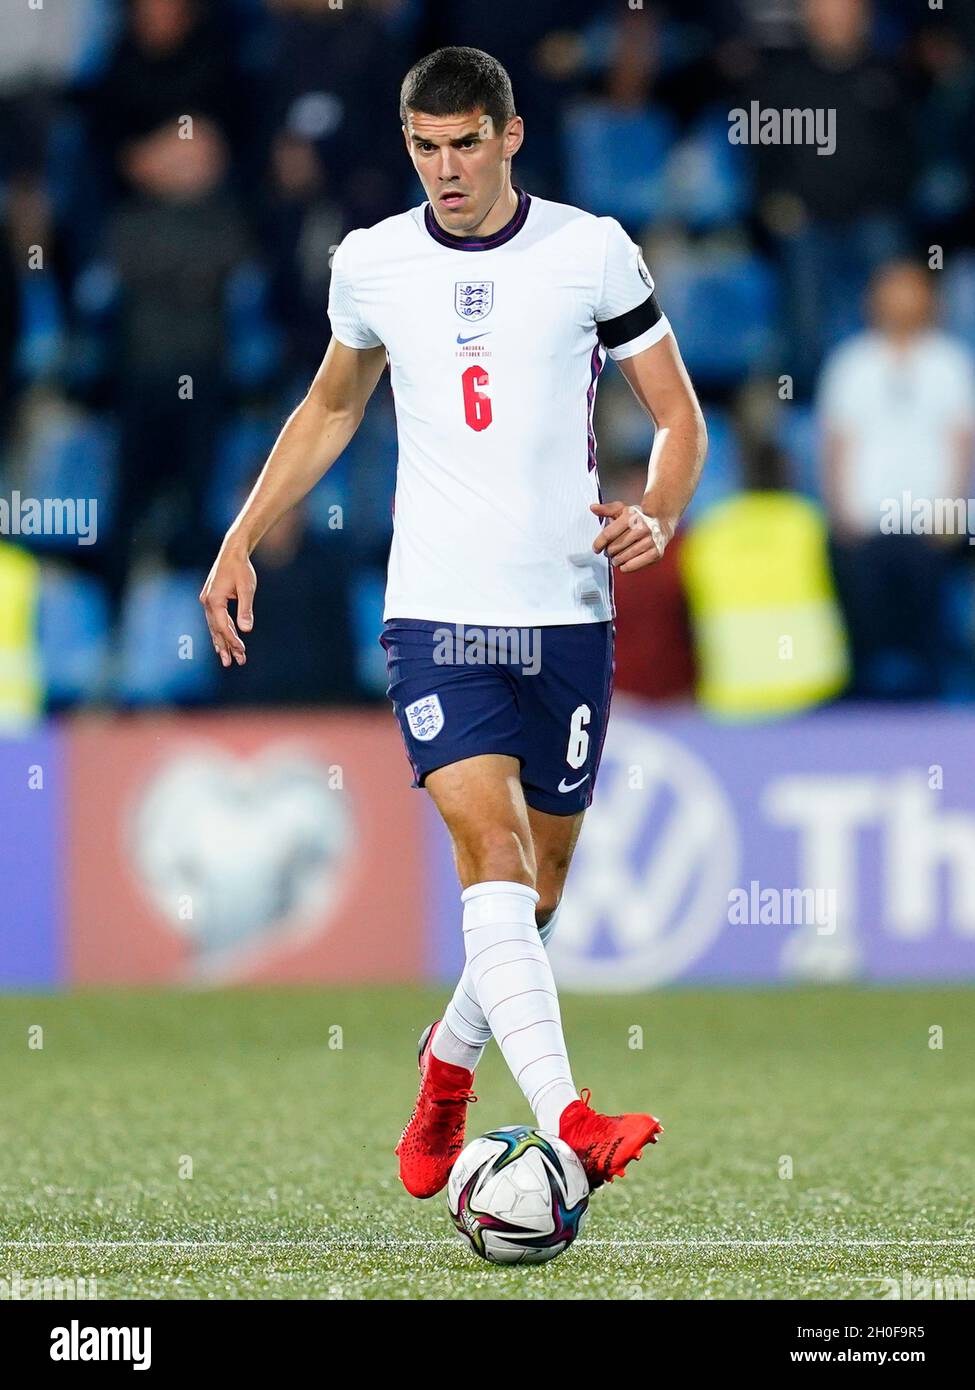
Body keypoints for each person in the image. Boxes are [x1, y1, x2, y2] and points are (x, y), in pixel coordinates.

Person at [200, 47, 707, 1198]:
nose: (447, 169)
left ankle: (445, 1071)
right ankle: (574, 1118)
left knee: (536, 898)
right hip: (436, 612)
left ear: (511, 135)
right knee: (492, 852)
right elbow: (333, 401)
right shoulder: (373, 262)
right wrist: (240, 534)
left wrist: (661, 512)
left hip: (567, 613)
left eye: (467, 142)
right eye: (426, 147)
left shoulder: (589, 251)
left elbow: (676, 415)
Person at [818, 260, 975, 697]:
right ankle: (866, 704)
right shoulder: (852, 362)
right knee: (866, 628)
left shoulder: (950, 363)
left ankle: (932, 703)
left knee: (927, 631)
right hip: (865, 524)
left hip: (929, 524)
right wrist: (839, 511)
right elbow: (836, 443)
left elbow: (961, 443)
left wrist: (951, 512)